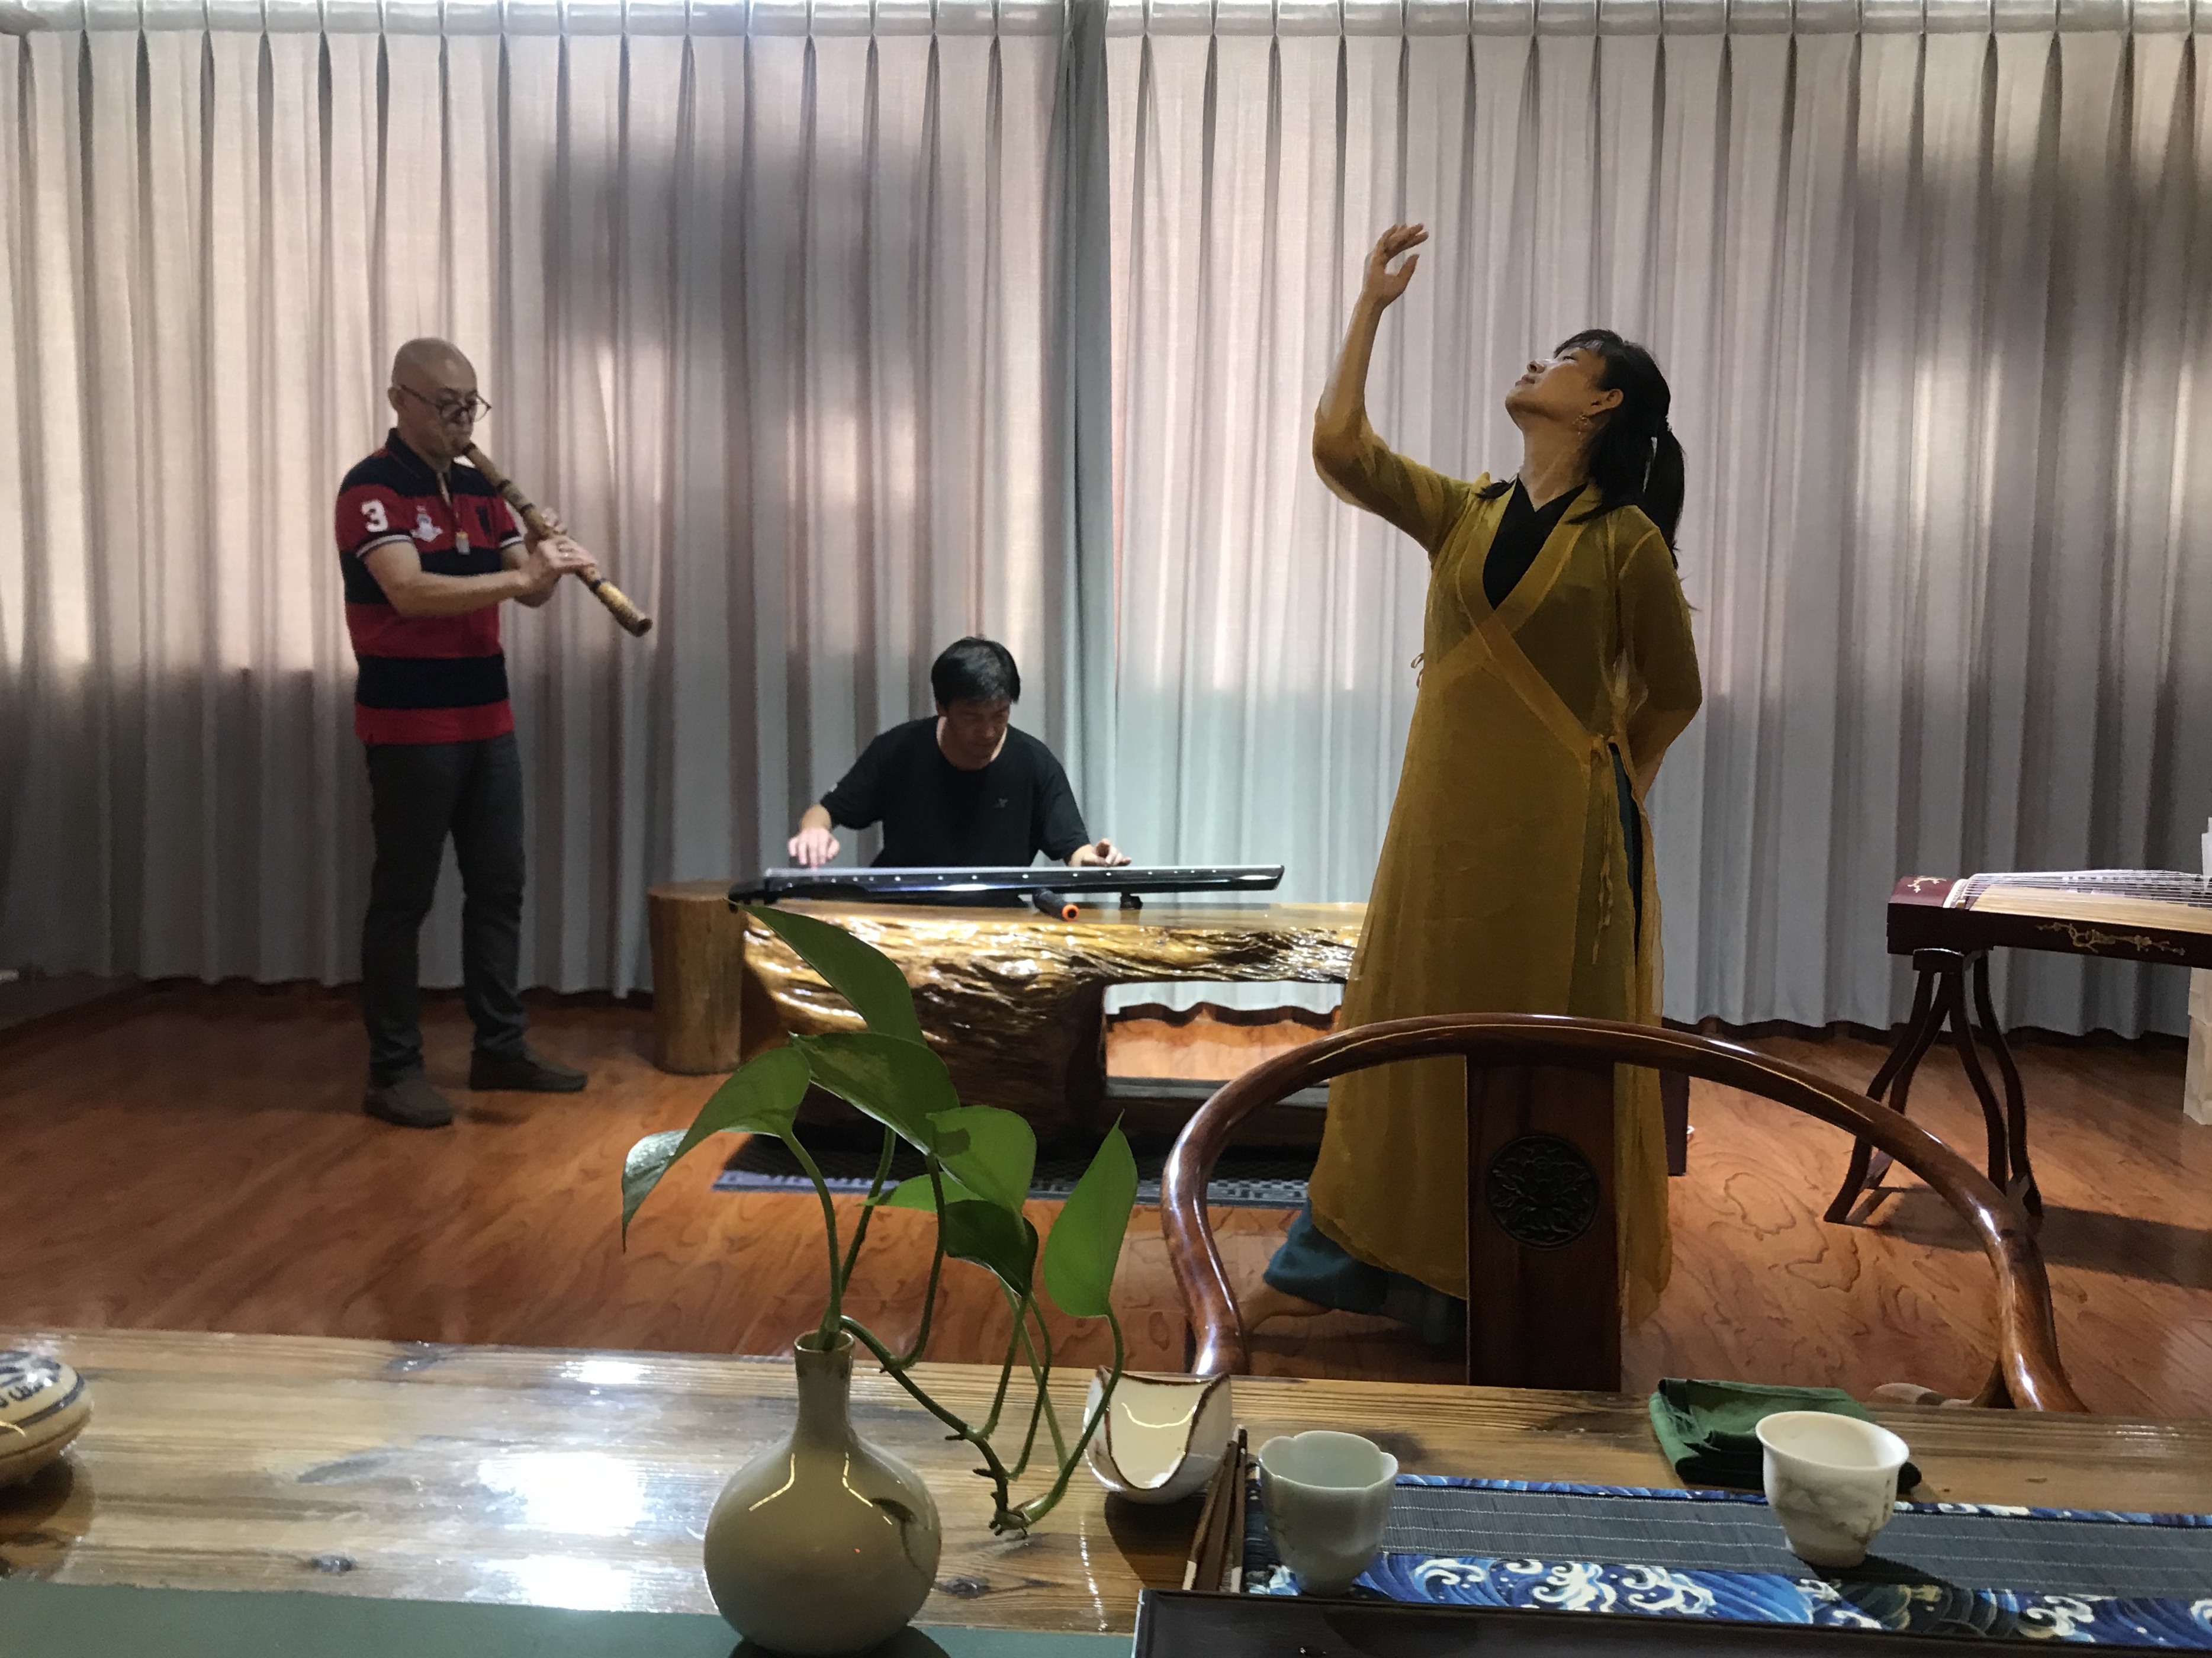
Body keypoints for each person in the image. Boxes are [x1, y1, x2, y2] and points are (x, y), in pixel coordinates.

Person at [1246, 224, 1703, 1341]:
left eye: (1566, 359)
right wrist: (1369, 307)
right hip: (1443, 829)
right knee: (1411, 1032)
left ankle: (1521, 1271)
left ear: (1603, 405)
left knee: (1541, 1053)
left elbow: (1673, 692)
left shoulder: (1626, 542)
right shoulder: (1466, 510)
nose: (1539, 363)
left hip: (1562, 847)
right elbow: (1342, 448)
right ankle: (1364, 1261)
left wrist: (1607, 780)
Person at [337, 338, 603, 1129]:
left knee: (498, 886)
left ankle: (500, 1049)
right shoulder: (372, 487)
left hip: (488, 716)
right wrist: (521, 575)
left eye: (470, 406)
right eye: (446, 406)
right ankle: (392, 1070)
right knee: (404, 897)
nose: (462, 421)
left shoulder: (482, 488)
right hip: (409, 722)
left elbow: (528, 595)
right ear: (400, 400)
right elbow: (410, 592)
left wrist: (543, 559)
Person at [788, 638, 1128, 873]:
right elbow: (825, 812)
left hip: (996, 919)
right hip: (903, 913)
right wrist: (813, 831)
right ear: (942, 707)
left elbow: (1074, 849)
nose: (988, 731)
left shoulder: (1035, 763)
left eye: (1000, 715)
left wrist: (1096, 860)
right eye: (972, 717)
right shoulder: (899, 749)